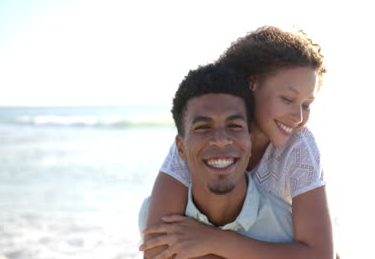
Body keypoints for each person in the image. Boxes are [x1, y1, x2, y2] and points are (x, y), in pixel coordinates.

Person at [141, 26, 334, 259]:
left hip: (269, 239)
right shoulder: (202, 142)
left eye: (306, 105)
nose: (298, 116)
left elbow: (321, 254)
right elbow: (157, 248)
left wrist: (213, 240)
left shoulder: (298, 144)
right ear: (253, 84)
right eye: (287, 99)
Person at [139, 63, 295, 258]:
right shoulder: (157, 218)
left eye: (234, 125)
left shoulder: (289, 229)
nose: (221, 140)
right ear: (181, 148)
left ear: (250, 140)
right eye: (203, 127)